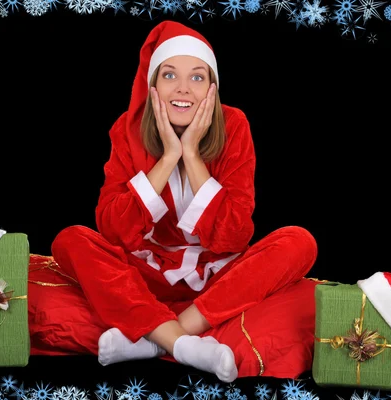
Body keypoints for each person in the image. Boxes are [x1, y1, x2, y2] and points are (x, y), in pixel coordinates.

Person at [50, 20, 318, 383]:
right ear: (153, 85)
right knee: (71, 240)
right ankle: (183, 344)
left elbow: (234, 237)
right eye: (169, 75)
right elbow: (114, 232)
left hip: (218, 276)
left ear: (212, 87)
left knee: (299, 241)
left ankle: (163, 338)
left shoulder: (234, 125)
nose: (183, 89)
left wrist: (191, 155)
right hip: (146, 274)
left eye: (197, 77)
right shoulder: (126, 131)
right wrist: (167, 157)